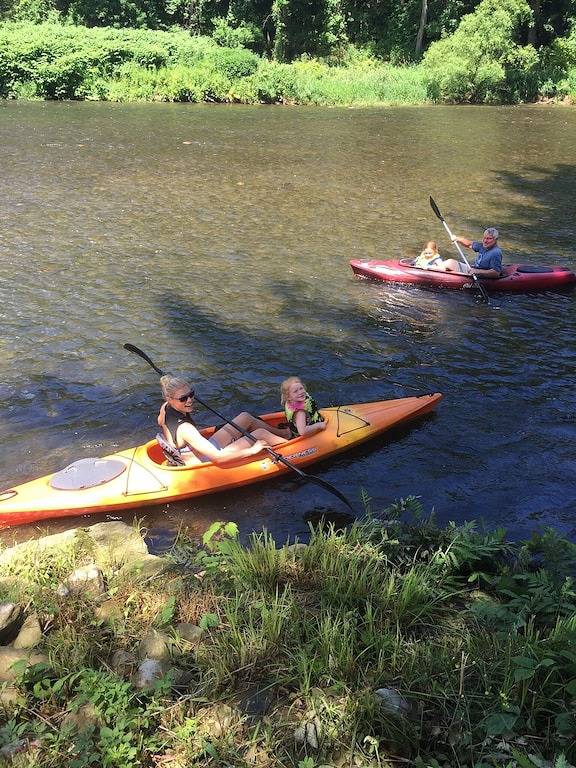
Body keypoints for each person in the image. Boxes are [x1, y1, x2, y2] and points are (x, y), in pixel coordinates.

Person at [158, 375, 290, 466]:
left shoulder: (165, 408)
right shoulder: (186, 429)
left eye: (191, 394)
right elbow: (218, 458)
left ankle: (286, 434)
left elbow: (161, 421)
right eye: (183, 399)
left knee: (245, 417)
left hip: (203, 449)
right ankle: (294, 448)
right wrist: (253, 450)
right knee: (260, 434)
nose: (190, 400)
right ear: (170, 399)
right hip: (206, 459)